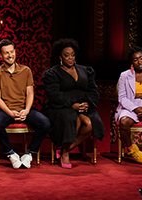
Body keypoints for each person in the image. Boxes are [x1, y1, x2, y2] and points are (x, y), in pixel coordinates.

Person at [42, 38, 105, 169]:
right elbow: (54, 95)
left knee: (90, 124)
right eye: (66, 55)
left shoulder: (86, 71)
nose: (70, 58)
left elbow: (93, 91)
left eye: (72, 55)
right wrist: (72, 104)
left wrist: (88, 103)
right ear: (60, 57)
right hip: (60, 107)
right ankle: (65, 153)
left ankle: (66, 149)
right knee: (72, 118)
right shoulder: (52, 73)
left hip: (82, 106)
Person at [0, 39, 50, 169]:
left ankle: (29, 154)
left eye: (12, 51)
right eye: (6, 53)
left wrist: (27, 110)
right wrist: (10, 112)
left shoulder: (26, 70)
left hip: (24, 110)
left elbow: (30, 93)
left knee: (45, 122)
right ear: (0, 55)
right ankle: (11, 154)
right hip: (6, 111)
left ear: (15, 52)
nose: (10, 55)